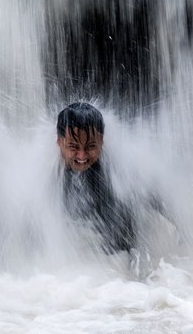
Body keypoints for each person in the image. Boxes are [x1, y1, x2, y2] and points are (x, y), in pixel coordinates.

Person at [56, 102, 136, 254]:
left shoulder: (115, 177)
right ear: (59, 142)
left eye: (91, 146)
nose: (81, 156)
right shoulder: (45, 176)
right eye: (73, 147)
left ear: (102, 142)